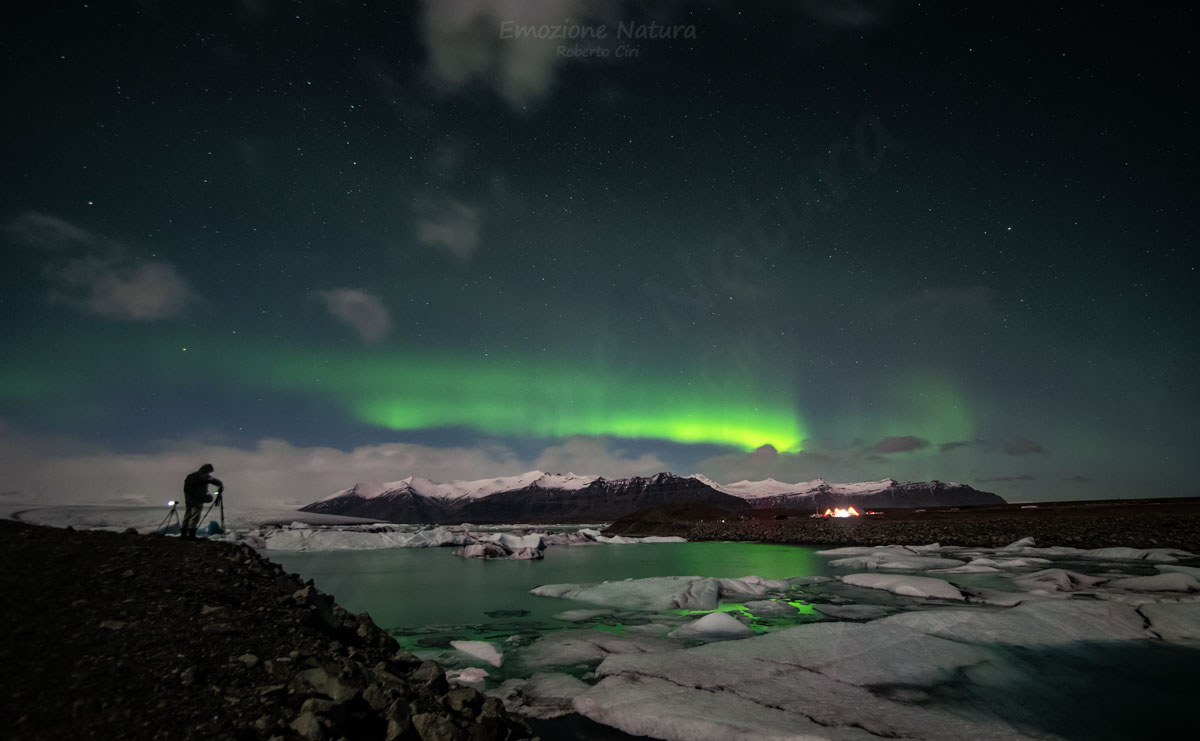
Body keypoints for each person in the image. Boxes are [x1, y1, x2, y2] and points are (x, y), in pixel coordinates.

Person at [181, 463, 223, 539]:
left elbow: (186, 489)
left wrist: (188, 499)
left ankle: (183, 535)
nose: (209, 474)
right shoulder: (203, 477)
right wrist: (220, 485)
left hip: (189, 500)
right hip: (197, 500)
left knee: (187, 516)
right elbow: (215, 481)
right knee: (195, 517)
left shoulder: (191, 476)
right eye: (209, 472)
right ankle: (191, 535)